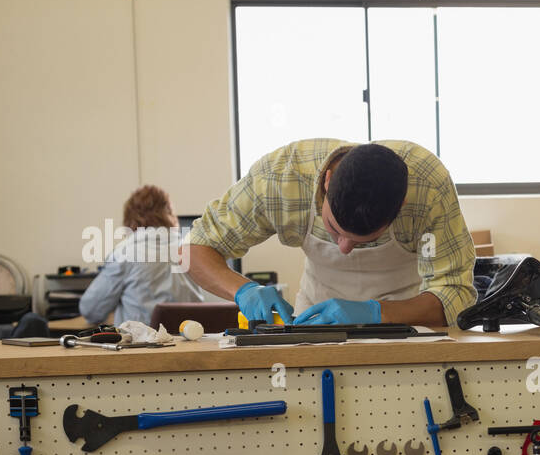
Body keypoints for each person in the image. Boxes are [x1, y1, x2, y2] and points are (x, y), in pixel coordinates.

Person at [180, 139, 475, 328]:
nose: (344, 248)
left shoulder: (428, 188)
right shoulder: (279, 179)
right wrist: (242, 290)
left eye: (364, 239)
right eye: (334, 229)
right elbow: (193, 249)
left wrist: (377, 314)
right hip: (314, 319)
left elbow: (455, 295)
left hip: (406, 320)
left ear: (402, 206)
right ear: (327, 181)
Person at [80, 185, 203, 325]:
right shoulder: (191, 249)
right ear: (170, 213)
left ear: (130, 217)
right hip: (190, 342)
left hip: (141, 344)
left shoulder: (125, 253)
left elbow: (91, 310)